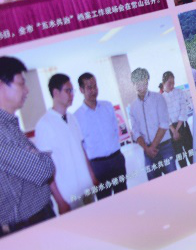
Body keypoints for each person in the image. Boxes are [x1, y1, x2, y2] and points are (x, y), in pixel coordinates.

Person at [0, 56, 56, 235]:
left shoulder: (9, 125)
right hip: (27, 227)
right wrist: (39, 156)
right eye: (21, 83)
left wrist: (35, 155)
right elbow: (44, 170)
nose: (27, 90)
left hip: (36, 219)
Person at [33, 73, 94, 212]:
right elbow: (45, 167)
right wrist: (60, 201)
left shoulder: (72, 118)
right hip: (68, 195)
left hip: (86, 188)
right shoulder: (44, 125)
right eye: (68, 90)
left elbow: (81, 150)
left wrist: (92, 177)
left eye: (72, 90)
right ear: (55, 93)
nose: (72, 94)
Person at [75, 72, 127, 199]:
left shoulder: (107, 106)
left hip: (116, 159)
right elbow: (81, 146)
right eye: (89, 87)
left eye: (95, 86)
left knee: (123, 196)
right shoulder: (77, 117)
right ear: (81, 90)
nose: (93, 90)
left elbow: (115, 130)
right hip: (98, 166)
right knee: (105, 200)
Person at [127, 67, 174, 180]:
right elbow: (136, 132)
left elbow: (164, 124)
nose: (139, 85)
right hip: (147, 150)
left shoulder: (158, 98)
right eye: (136, 82)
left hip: (165, 147)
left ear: (147, 81)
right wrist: (147, 149)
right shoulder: (133, 107)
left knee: (173, 180)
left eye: (141, 81)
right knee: (154, 184)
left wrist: (152, 147)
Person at [160, 71, 195, 169]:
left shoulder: (179, 92)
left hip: (182, 125)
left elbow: (183, 110)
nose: (172, 85)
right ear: (163, 83)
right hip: (171, 129)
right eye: (169, 83)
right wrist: (173, 131)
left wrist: (177, 129)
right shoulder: (161, 98)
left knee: (190, 151)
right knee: (179, 155)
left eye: (173, 83)